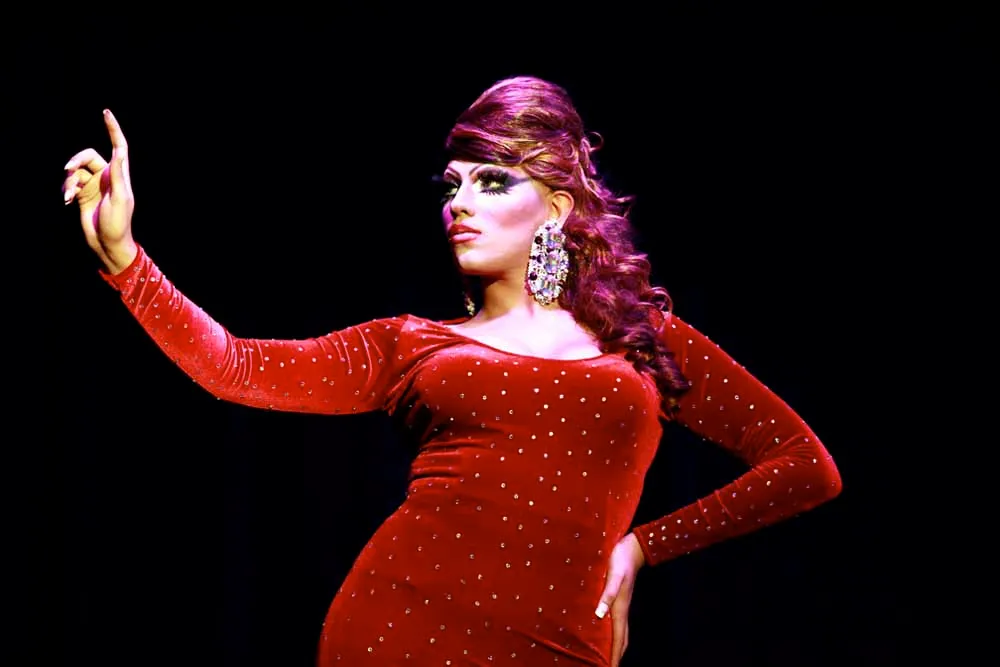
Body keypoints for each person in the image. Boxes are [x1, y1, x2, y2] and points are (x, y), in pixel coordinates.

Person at [62, 76, 842, 667]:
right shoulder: (412, 343)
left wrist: (643, 546)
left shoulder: (641, 339)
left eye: (492, 179)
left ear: (557, 208)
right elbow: (234, 365)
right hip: (398, 625)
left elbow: (805, 466)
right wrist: (127, 259)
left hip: (561, 640)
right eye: (453, 184)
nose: (458, 202)